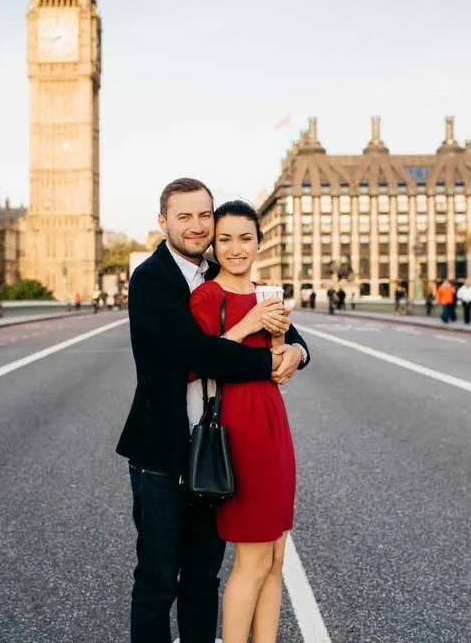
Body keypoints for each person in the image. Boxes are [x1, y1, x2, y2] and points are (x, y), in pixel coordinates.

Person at [116, 178, 309, 643]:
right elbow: (194, 354)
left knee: (202, 575)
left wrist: (298, 352)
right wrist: (268, 362)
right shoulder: (151, 278)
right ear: (163, 222)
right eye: (184, 216)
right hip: (163, 451)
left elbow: (283, 323)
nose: (197, 225)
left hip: (213, 447)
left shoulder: (214, 273)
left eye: (205, 215)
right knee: (159, 580)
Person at [189, 200, 304, 642]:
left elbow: (279, 360)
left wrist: (290, 348)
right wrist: (250, 322)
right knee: (251, 558)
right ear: (214, 245)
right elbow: (196, 362)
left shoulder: (265, 292)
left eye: (245, 238)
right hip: (239, 428)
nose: (236, 249)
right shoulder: (206, 296)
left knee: (275, 555)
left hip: (274, 421)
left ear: (260, 241)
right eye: (225, 239)